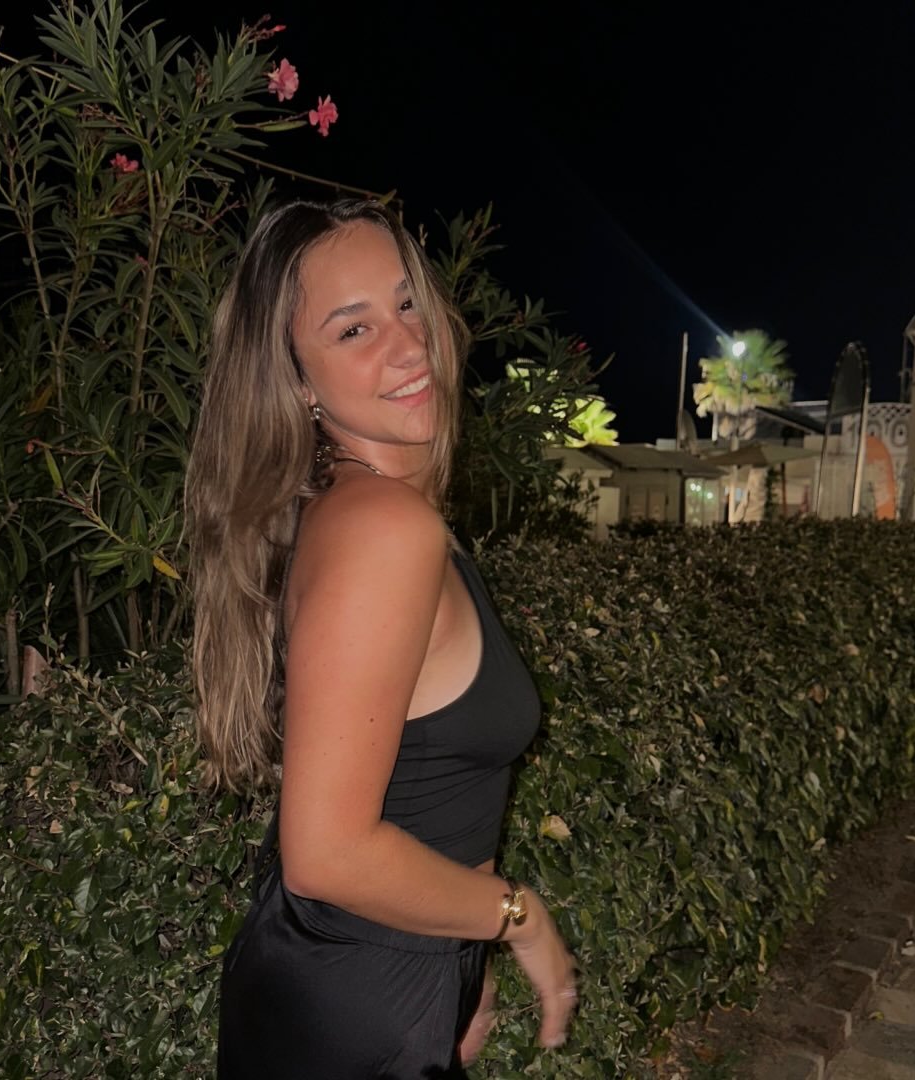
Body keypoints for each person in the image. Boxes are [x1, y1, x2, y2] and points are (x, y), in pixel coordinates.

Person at [185, 197, 576, 1078]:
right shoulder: (383, 531)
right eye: (354, 328)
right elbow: (326, 853)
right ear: (298, 379)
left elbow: (420, 787)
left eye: (406, 304)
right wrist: (515, 917)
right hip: (359, 1005)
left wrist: (463, 955)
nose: (408, 345)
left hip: (377, 976)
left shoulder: (370, 511)